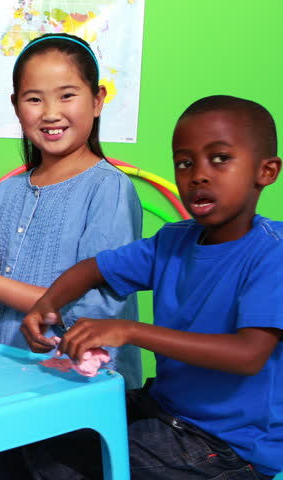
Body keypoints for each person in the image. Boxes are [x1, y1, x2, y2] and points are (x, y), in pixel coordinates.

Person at [21, 95, 282, 480]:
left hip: (228, 445)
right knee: (43, 430)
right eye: (185, 163)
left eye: (220, 158)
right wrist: (47, 304)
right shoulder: (172, 242)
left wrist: (129, 330)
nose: (199, 175)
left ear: (267, 171)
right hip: (165, 410)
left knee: (75, 466)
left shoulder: (272, 253)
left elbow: (248, 355)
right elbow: (94, 268)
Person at [0, 33, 143, 385]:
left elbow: (95, 315)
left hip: (76, 388)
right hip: (1, 376)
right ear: (16, 105)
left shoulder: (109, 188)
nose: (51, 113)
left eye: (67, 95)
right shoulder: (6, 193)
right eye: (34, 99)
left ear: (97, 99)